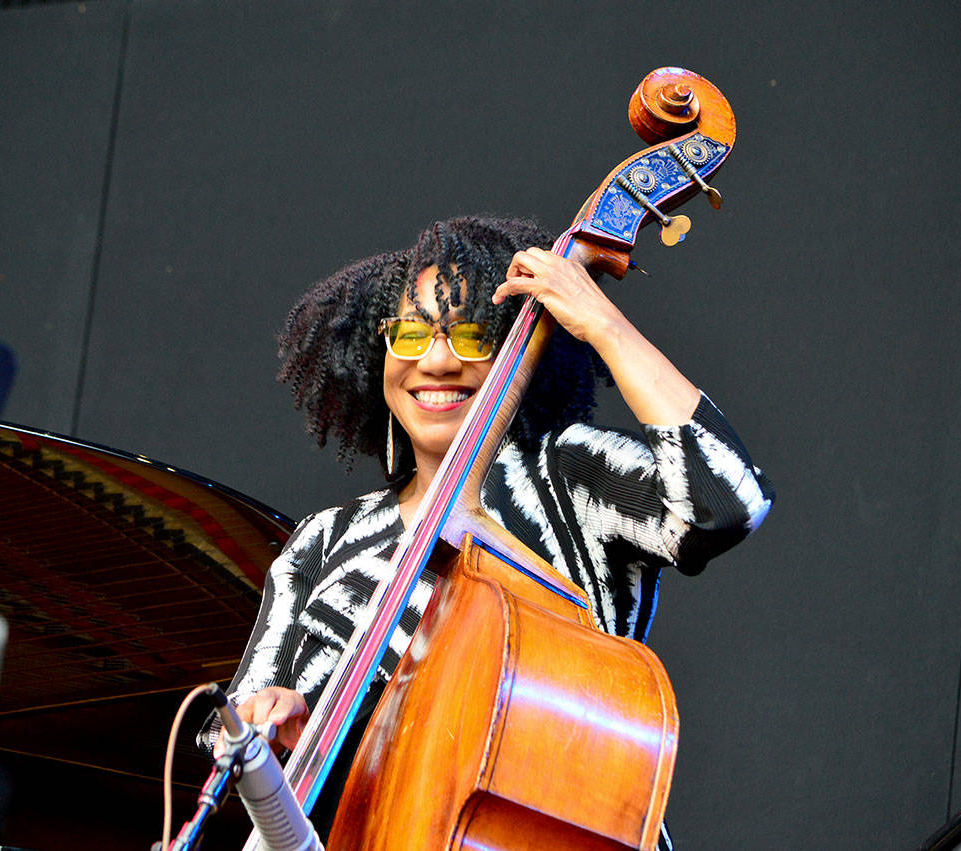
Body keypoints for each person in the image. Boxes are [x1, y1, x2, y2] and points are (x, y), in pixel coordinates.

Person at [202, 215, 773, 844]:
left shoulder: (567, 477)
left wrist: (601, 324)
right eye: (411, 336)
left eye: (472, 337)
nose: (438, 361)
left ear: (512, 351)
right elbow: (230, 732)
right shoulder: (325, 540)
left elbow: (727, 502)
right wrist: (265, 723)